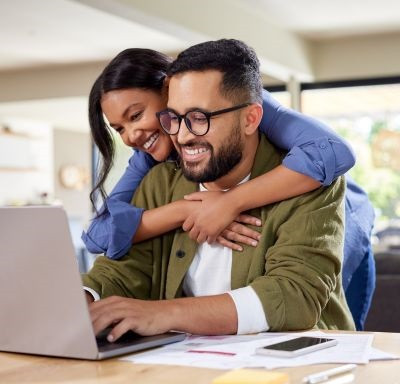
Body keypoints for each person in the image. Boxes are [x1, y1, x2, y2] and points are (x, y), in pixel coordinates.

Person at [82, 39, 355, 341]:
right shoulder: (158, 178)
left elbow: (294, 296)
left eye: (200, 118)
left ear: (250, 118)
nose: (183, 137)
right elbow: (119, 266)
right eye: (174, 118)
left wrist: (162, 313)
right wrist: (81, 301)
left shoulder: (310, 178)